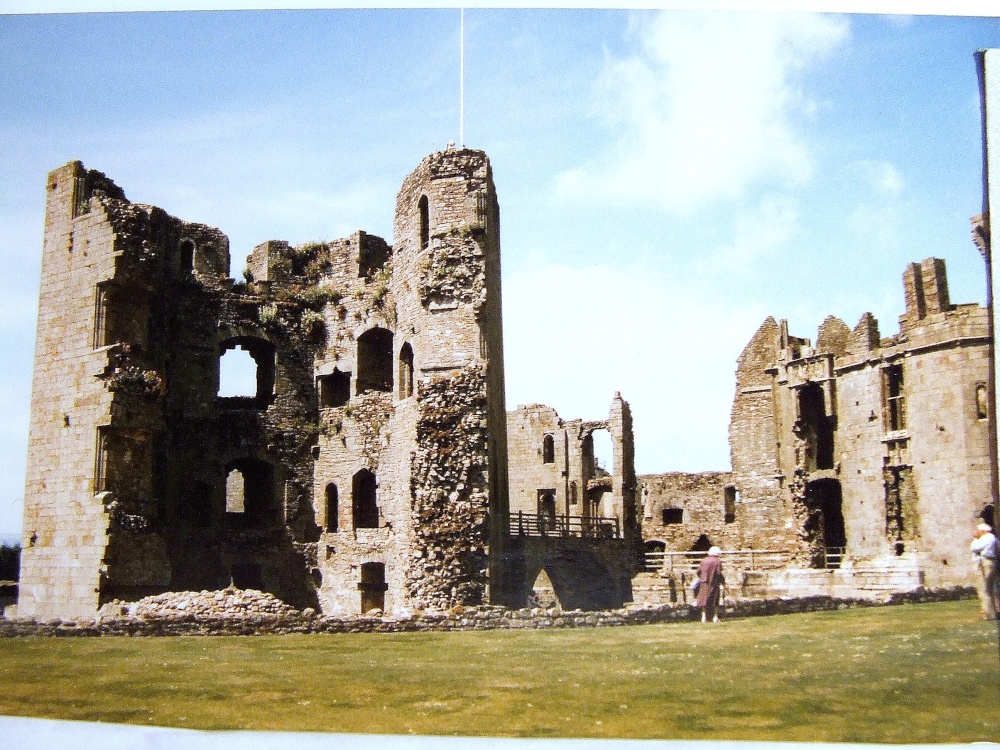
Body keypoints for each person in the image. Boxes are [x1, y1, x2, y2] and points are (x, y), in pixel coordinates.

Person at [971, 522, 999, 620]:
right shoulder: (993, 538)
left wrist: (975, 538)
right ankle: (994, 611)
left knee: (985, 588)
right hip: (990, 561)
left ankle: (989, 613)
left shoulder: (987, 538)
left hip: (985, 561)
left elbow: (974, 548)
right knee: (991, 588)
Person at [696, 545, 725, 623]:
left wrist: (702, 578)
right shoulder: (717, 561)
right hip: (714, 583)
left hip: (704, 583)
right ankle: (715, 617)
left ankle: (703, 617)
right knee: (715, 600)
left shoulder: (704, 560)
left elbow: (698, 572)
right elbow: (718, 573)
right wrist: (722, 582)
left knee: (704, 599)